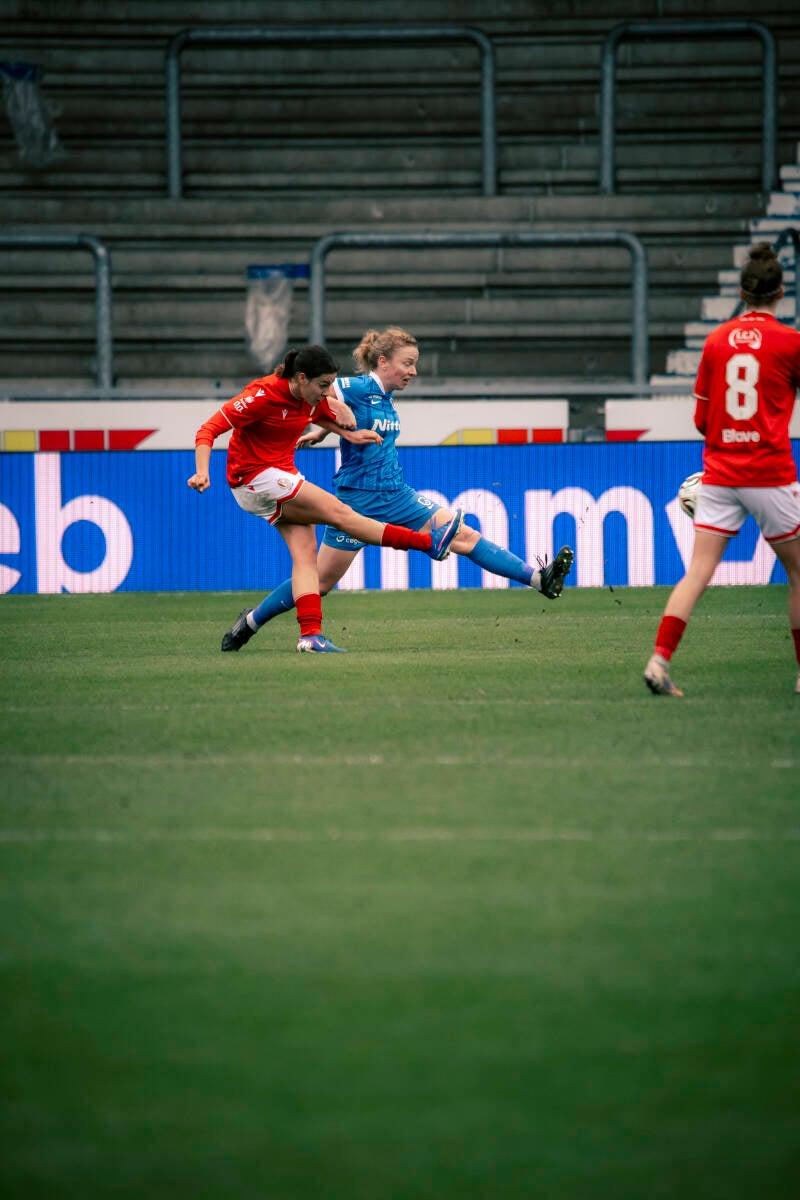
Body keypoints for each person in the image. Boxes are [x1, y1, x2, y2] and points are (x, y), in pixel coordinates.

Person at [219, 326, 574, 653]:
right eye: (408, 363)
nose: (413, 371)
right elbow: (317, 393)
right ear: (383, 361)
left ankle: (538, 579)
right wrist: (328, 422)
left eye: (414, 365)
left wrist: (325, 431)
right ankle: (250, 621)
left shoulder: (387, 399)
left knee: (462, 536)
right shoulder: (355, 387)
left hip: (397, 494)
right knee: (320, 581)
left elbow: (328, 411)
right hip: (356, 499)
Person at [187, 343, 464, 654]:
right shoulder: (262, 395)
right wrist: (202, 471)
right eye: (323, 384)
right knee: (342, 515)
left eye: (331, 383)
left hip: (276, 477)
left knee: (306, 560)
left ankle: (310, 635)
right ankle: (428, 543)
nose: (328, 390)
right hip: (255, 478)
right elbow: (208, 429)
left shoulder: (309, 397)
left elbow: (321, 414)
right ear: (301, 378)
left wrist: (349, 433)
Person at [644, 242, 800, 697]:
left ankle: (659, 660)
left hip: (720, 472)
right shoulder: (790, 342)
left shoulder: (715, 341)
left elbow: (700, 419)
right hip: (769, 473)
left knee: (697, 572)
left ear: (741, 291)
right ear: (780, 292)